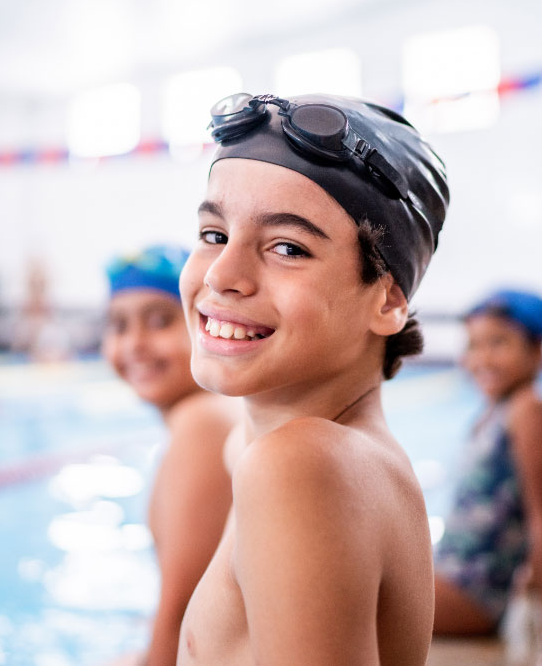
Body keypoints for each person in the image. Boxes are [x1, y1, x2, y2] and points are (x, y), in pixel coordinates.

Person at [176, 93, 449, 664]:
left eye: (287, 247)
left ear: (388, 300)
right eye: (213, 235)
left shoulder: (301, 466)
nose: (223, 275)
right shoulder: (283, 451)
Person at [101, 245, 240, 666]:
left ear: (208, 326)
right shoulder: (208, 415)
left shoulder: (203, 424)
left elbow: (182, 614)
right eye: (119, 326)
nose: (135, 344)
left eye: (160, 321)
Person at [433, 289, 542, 666]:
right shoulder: (498, 408)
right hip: (449, 577)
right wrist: (527, 577)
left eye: (499, 343)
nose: (482, 358)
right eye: (473, 345)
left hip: (470, 596)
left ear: (538, 350)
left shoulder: (532, 412)